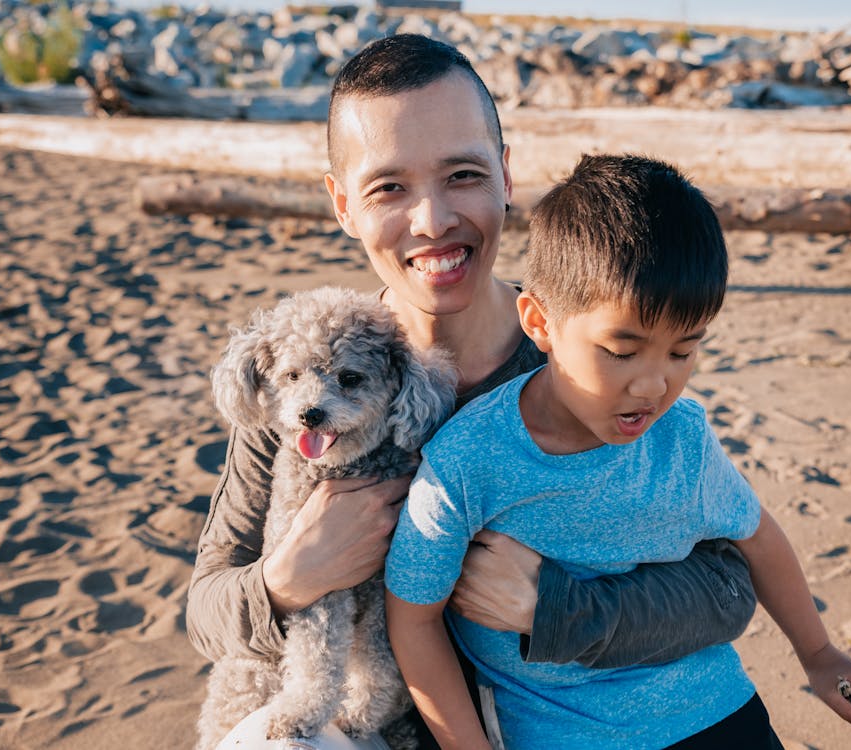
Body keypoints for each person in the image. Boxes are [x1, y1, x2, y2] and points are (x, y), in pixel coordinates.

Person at [187, 34, 757, 745]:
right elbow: (205, 609)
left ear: (505, 175)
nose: (433, 221)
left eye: (461, 175)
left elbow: (728, 585)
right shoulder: (305, 395)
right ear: (342, 205)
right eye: (389, 187)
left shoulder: (583, 367)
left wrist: (559, 607)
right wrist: (289, 576)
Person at [385, 154, 851, 750]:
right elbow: (413, 619)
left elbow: (758, 536)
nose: (653, 386)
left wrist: (819, 653)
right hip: (563, 734)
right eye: (621, 352)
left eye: (682, 352)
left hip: (716, 710)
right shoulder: (468, 460)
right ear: (539, 323)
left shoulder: (683, 439)